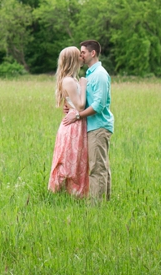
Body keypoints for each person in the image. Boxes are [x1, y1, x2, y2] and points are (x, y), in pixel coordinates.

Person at [62, 39, 113, 202]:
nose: (80, 55)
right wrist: (71, 108)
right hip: (91, 125)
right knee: (100, 166)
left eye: (83, 52)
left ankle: (96, 207)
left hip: (99, 125)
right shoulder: (90, 74)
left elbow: (98, 105)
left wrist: (77, 115)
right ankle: (104, 201)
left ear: (93, 53)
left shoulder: (100, 75)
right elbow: (86, 101)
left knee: (97, 169)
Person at [48, 46, 89, 197]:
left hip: (76, 122)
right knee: (69, 160)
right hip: (73, 125)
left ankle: (74, 194)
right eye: (79, 55)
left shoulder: (72, 79)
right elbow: (79, 105)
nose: (82, 57)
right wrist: (83, 86)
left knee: (76, 159)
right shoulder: (70, 81)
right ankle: (67, 193)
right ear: (73, 59)